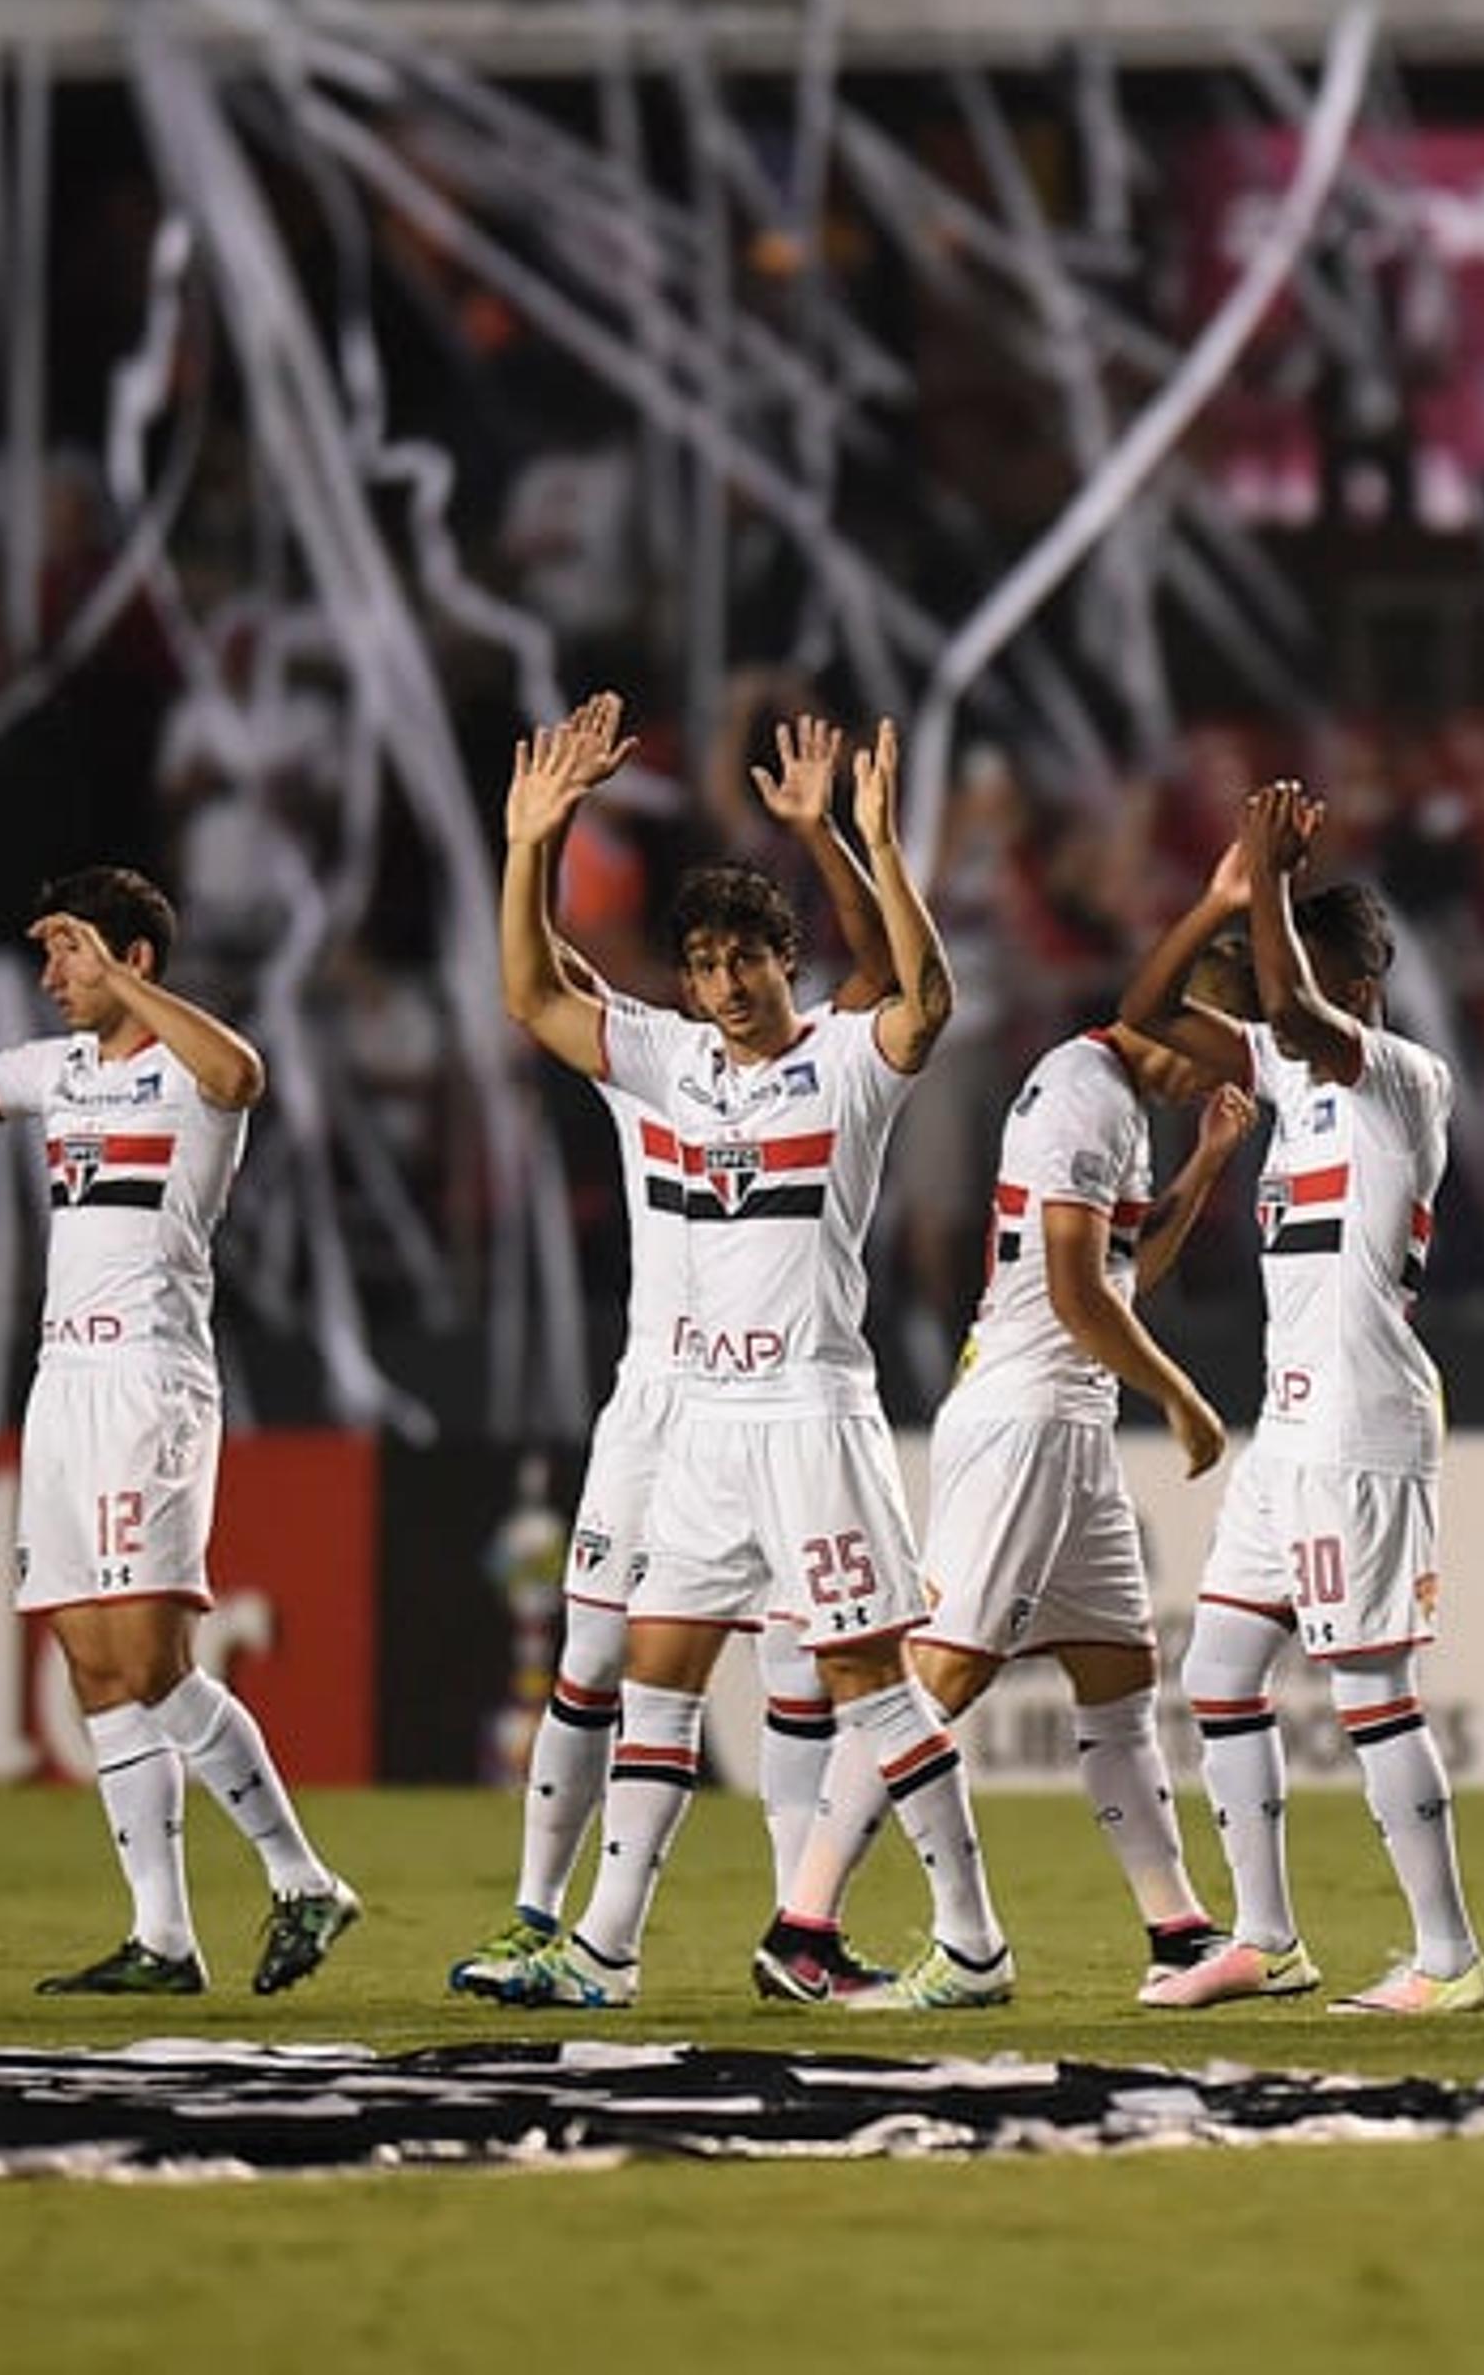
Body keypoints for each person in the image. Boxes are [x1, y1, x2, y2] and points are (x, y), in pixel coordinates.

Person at [459, 704, 1015, 2011]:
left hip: (809, 1413)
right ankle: (603, 1942)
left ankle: (974, 1939)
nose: (722, 984)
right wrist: (530, 845)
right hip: (699, 1421)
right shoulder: (670, 1060)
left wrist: (866, 843)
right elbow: (533, 991)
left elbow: (926, 999)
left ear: (788, 959)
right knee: (655, 1674)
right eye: (702, 963)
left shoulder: (841, 1061)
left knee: (868, 1683)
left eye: (743, 960)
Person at [0, 866, 359, 1994]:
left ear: (131, 959)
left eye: (68, 953)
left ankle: (302, 1877)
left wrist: (126, 984)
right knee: (93, 1663)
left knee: (150, 1655)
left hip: (152, 1383)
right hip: (64, 1381)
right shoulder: (64, 1073)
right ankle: (163, 1937)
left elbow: (245, 1071)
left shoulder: (191, 1074)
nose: (48, 977)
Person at [755, 966, 1260, 2007]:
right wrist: (1181, 1396)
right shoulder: (1081, 1092)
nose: (1242, 1061)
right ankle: (801, 1927)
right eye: (1236, 1037)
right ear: (1201, 1026)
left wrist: (1208, 1162)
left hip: (1066, 1417)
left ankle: (1175, 1928)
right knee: (936, 1673)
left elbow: (1117, 1270)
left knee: (1117, 1677)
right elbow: (1075, 1294)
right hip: (1027, 1418)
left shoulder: (1118, 1100)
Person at [1119, 781, 1484, 2015]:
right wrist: (1227, 892)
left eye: (1310, 984)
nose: (1277, 1015)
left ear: (1361, 994)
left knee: (1370, 1694)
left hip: (1363, 1421)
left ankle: (1449, 1958)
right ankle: (1267, 1937)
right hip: (1288, 1429)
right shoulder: (1292, 1086)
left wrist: (1274, 886)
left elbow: (1285, 1001)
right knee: (1220, 1672)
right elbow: (1150, 1011)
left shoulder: (1402, 1080)